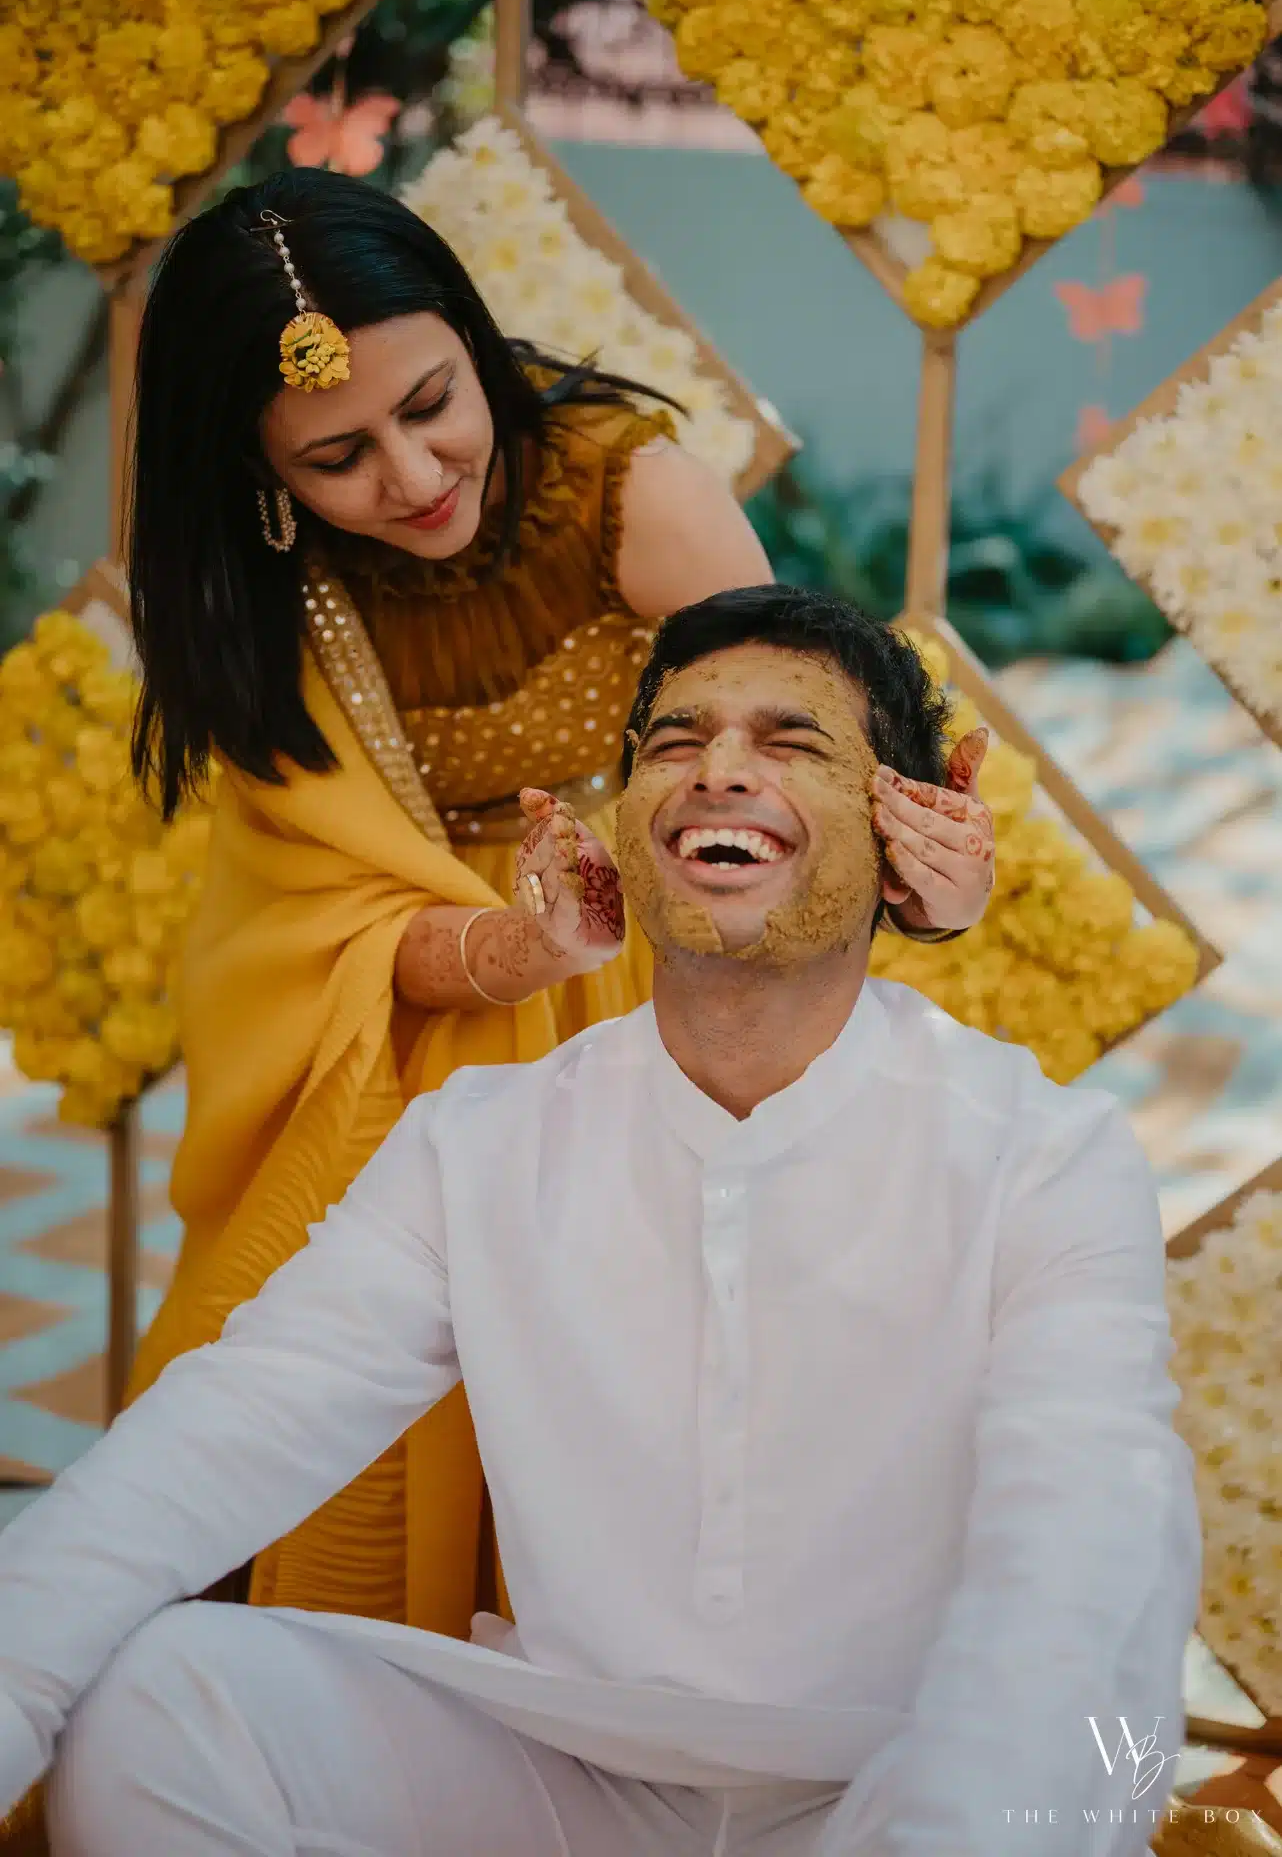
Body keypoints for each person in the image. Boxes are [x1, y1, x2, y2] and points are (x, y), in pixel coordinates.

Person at [0, 588, 1196, 1856]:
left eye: (791, 743)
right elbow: (223, 1431)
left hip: (894, 1782)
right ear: (621, 826)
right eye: (674, 744)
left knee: (1054, 1738)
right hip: (564, 1771)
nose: (716, 771)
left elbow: (1082, 1545)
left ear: (902, 831)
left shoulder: (1040, 1155)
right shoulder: (483, 1143)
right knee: (165, 1696)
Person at [119, 166, 998, 1633]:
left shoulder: (625, 494)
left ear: (472, 340)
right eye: (336, 455)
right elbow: (309, 935)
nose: (412, 474)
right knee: (292, 1378)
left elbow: (804, 789)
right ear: (259, 474)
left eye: (432, 404)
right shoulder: (270, 590)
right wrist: (522, 944)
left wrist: (935, 887)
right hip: (420, 1033)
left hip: (674, 995)